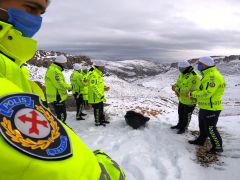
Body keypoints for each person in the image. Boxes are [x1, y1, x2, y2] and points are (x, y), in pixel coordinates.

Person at [0, 1, 126, 179]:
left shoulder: (13, 67)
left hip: (76, 95)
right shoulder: (48, 73)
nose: (36, 18)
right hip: (63, 95)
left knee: (65, 116)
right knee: (64, 115)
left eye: (41, 13)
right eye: (30, 7)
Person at [188, 56, 226, 154]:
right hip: (204, 107)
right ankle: (201, 140)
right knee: (203, 126)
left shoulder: (214, 77)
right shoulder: (206, 75)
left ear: (206, 64)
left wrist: (193, 94)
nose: (198, 65)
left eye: (200, 64)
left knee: (211, 129)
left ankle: (217, 147)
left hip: (212, 108)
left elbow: (207, 93)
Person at [171, 60, 201, 134]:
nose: (180, 69)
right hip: (182, 99)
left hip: (190, 100)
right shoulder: (182, 73)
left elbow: (189, 90)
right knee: (180, 113)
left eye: (181, 68)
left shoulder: (194, 76)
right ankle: (179, 125)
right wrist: (175, 85)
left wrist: (177, 89)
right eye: (179, 68)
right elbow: (179, 82)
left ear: (186, 67)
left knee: (186, 116)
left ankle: (184, 128)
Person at [45, 55, 71, 123]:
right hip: (57, 97)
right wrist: (70, 87)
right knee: (62, 115)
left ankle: (62, 127)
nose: (65, 65)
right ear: (61, 63)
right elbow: (59, 84)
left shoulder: (54, 69)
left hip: (58, 96)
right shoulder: (54, 71)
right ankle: (61, 129)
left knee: (61, 114)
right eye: (64, 63)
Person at [88, 61, 110, 126]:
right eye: (102, 67)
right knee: (97, 110)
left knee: (101, 109)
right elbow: (93, 86)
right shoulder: (94, 75)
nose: (103, 68)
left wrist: (105, 87)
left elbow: (99, 85)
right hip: (95, 97)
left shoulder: (98, 74)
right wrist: (100, 96)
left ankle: (102, 120)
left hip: (99, 96)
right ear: (100, 67)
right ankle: (97, 122)